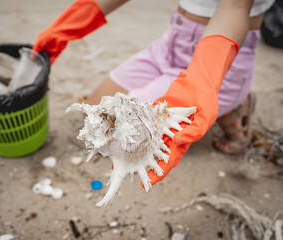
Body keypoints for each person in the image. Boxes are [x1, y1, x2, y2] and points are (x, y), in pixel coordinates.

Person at [33, 0, 274, 185]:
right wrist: (67, 26)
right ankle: (225, 100)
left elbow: (235, 6)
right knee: (97, 116)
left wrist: (203, 78)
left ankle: (232, 103)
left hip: (218, 54)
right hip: (171, 44)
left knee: (127, 143)